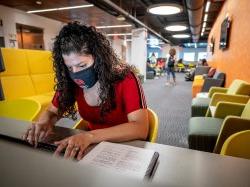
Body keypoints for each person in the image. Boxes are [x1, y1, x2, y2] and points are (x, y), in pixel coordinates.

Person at [23, 22, 149, 160]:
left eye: (82, 65)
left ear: (98, 58)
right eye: (70, 68)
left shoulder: (126, 78)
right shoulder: (70, 81)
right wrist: (44, 122)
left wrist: (90, 136)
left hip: (127, 147)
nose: (75, 73)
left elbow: (140, 128)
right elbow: (52, 111)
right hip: (92, 147)